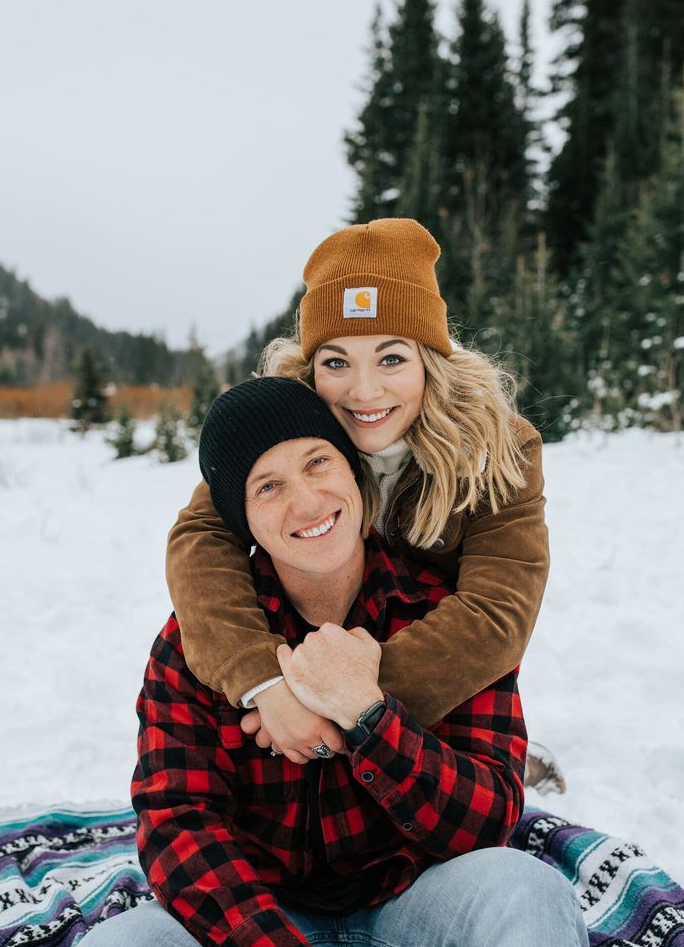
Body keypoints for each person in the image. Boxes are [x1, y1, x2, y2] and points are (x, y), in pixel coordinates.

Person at [58, 378, 598, 947]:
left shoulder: (440, 617)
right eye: (268, 486)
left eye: (318, 462)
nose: (306, 500)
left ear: (356, 474)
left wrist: (370, 717)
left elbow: (488, 820)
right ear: (241, 518)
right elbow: (176, 824)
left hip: (414, 917)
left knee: (531, 893)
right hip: (262, 939)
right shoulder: (201, 641)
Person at [165, 217, 563, 791]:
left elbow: (497, 613)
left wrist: (343, 701)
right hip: (310, 642)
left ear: (431, 358)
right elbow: (201, 539)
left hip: (437, 683)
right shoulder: (296, 424)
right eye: (336, 362)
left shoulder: (496, 447)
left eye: (392, 359)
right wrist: (263, 682)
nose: (364, 391)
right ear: (310, 367)